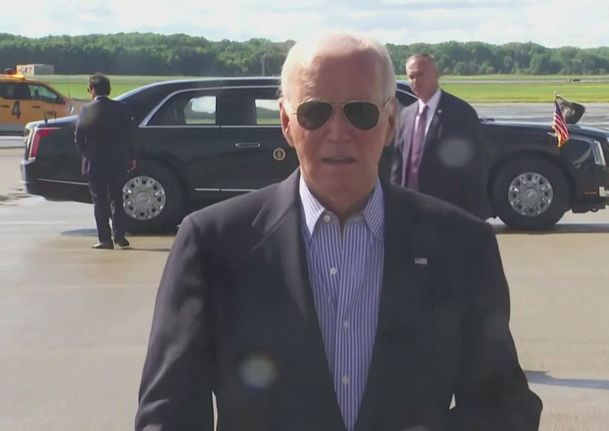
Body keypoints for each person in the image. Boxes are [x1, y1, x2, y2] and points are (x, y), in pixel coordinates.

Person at [135, 33, 541, 431]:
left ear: (390, 122)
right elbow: (167, 415)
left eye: (359, 112)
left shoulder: (461, 245)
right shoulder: (213, 243)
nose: (337, 132)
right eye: (315, 113)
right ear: (286, 122)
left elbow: (505, 406)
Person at [390, 53, 490, 219]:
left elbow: (474, 168)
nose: (415, 81)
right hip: (410, 211)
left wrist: (475, 216)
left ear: (436, 74)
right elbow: (398, 165)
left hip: (447, 211)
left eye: (420, 75)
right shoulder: (406, 115)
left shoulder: (460, 113)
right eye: (411, 77)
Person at [74, 73, 135, 249]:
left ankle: (105, 239)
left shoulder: (86, 110)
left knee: (99, 201)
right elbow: (129, 136)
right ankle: (120, 235)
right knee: (117, 198)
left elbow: (79, 137)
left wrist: (86, 154)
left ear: (92, 89)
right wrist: (131, 157)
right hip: (118, 161)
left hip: (95, 163)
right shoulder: (122, 109)